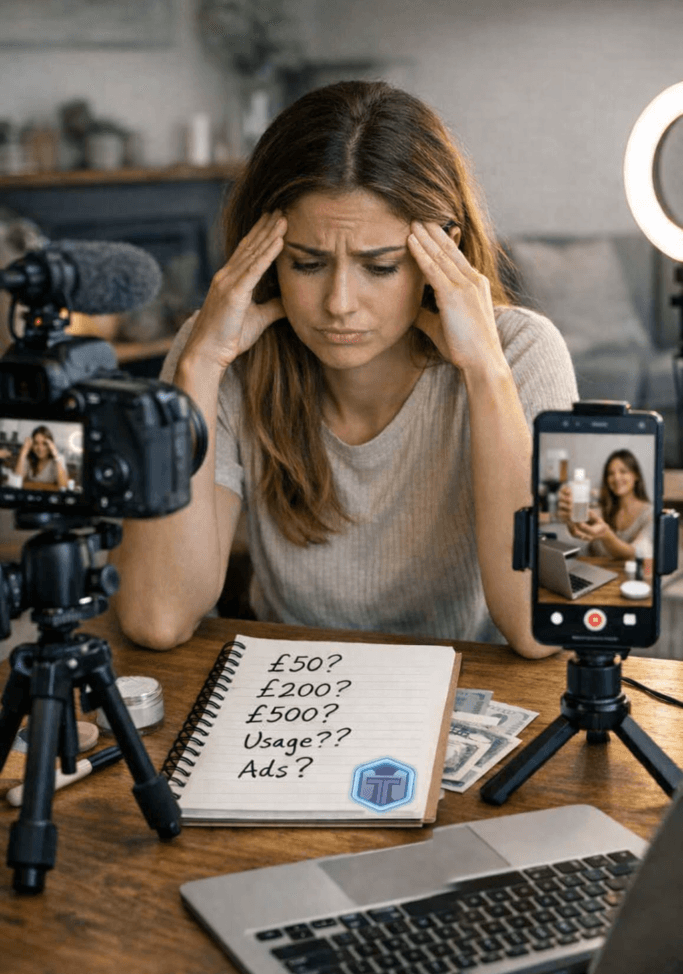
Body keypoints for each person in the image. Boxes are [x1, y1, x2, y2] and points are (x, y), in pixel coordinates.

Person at [112, 80, 577, 656]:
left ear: (442, 256)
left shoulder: (521, 353)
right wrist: (199, 365)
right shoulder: (218, 352)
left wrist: (485, 371)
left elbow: (539, 629)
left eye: (379, 267)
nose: (338, 303)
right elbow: (157, 617)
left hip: (472, 689)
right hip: (289, 694)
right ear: (264, 255)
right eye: (307, 264)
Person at [558, 449, 653, 561]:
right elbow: (577, 533)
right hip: (594, 572)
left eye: (623, 471)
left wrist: (607, 536)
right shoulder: (600, 508)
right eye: (611, 473)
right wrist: (570, 519)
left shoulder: (649, 513)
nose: (616, 478)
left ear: (636, 475)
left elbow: (636, 553)